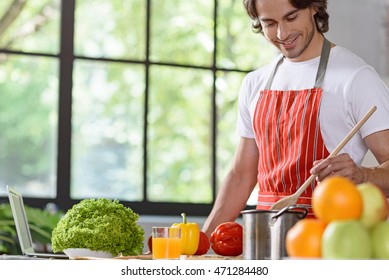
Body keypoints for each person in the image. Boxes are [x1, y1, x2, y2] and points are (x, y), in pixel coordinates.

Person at [202, 0, 389, 237]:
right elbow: (241, 175)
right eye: (269, 23)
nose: (282, 34)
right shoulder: (255, 83)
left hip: (329, 243)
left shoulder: (357, 78)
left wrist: (363, 175)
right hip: (265, 241)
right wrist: (200, 244)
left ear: (314, 7)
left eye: (291, 18)